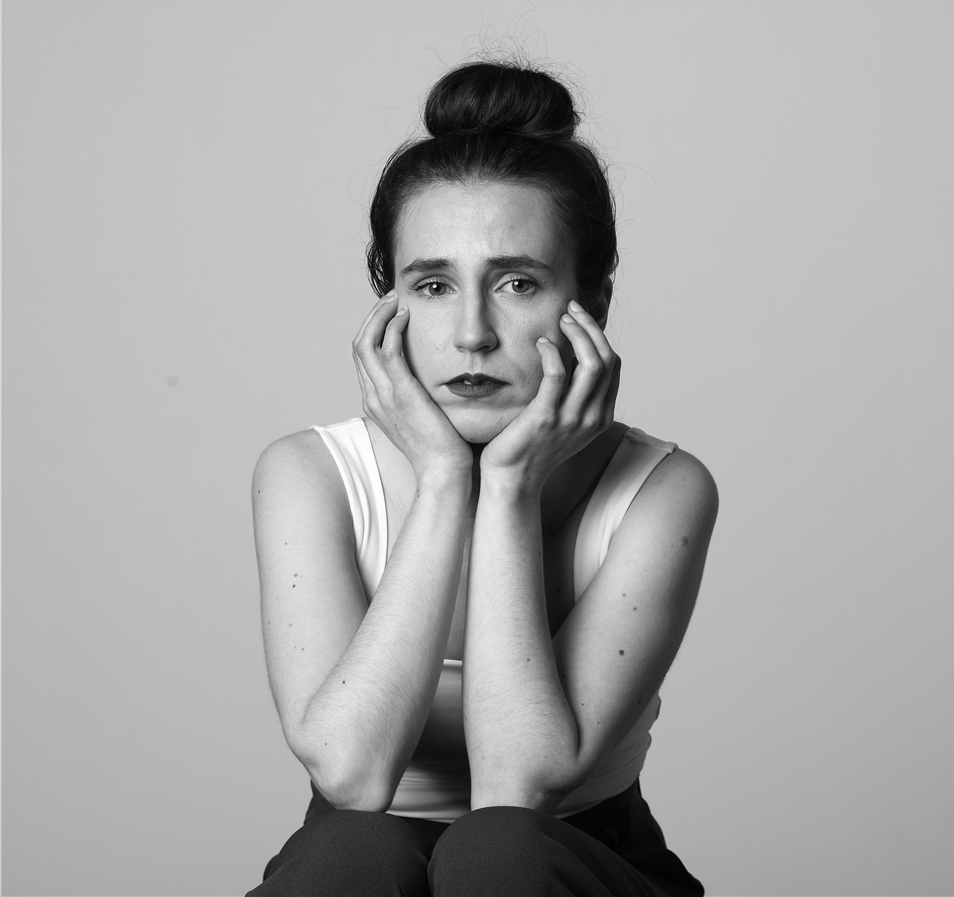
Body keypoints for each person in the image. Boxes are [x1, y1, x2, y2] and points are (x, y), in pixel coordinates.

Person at [248, 59, 718, 897]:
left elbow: (517, 790)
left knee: (497, 853)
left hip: (571, 866)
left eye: (517, 282)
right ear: (386, 303)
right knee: (350, 854)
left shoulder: (662, 489)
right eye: (432, 285)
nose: (472, 333)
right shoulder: (308, 474)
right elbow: (351, 777)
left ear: (593, 302)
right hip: (358, 868)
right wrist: (442, 481)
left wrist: (508, 487)